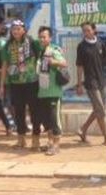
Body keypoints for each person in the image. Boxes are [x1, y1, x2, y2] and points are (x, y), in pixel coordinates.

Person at [0, 19, 43, 150]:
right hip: (16, 83)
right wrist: (1, 85)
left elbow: (42, 55)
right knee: (18, 111)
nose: (16, 31)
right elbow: (5, 65)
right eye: (13, 29)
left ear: (24, 30)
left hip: (32, 82)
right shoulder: (7, 46)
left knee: (34, 111)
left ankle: (36, 140)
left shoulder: (33, 42)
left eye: (18, 29)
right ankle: (21, 139)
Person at [75, 22, 106, 146]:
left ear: (94, 30)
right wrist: (79, 84)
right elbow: (79, 66)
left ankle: (83, 129)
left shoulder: (100, 43)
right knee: (100, 110)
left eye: (88, 30)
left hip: (101, 80)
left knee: (99, 109)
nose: (86, 33)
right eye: (84, 31)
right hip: (91, 82)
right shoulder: (81, 47)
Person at [36, 26, 67, 156]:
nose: (42, 39)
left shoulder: (53, 50)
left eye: (45, 37)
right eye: (41, 37)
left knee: (55, 119)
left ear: (50, 38)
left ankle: (56, 145)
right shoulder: (40, 51)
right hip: (43, 92)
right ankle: (49, 143)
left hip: (54, 92)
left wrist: (52, 61)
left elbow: (64, 63)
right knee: (46, 119)